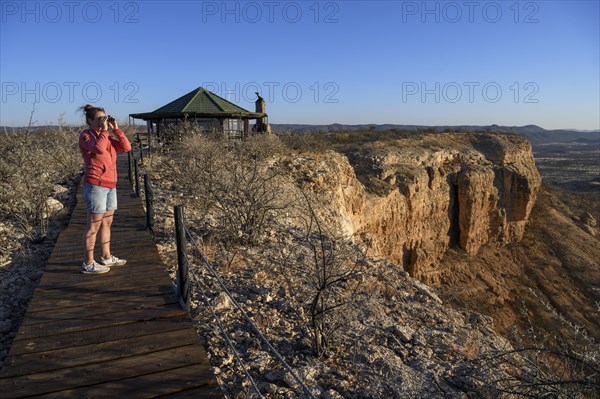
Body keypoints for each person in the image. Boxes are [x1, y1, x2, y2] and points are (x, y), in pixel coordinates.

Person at [79, 104, 132, 274]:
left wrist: (116, 130)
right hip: (95, 185)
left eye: (105, 118)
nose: (104, 122)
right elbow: (99, 148)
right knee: (93, 225)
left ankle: (106, 256)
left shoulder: (106, 136)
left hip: (111, 185)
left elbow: (126, 147)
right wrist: (104, 131)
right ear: (89, 120)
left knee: (107, 223)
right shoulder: (86, 136)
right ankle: (88, 263)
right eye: (99, 119)